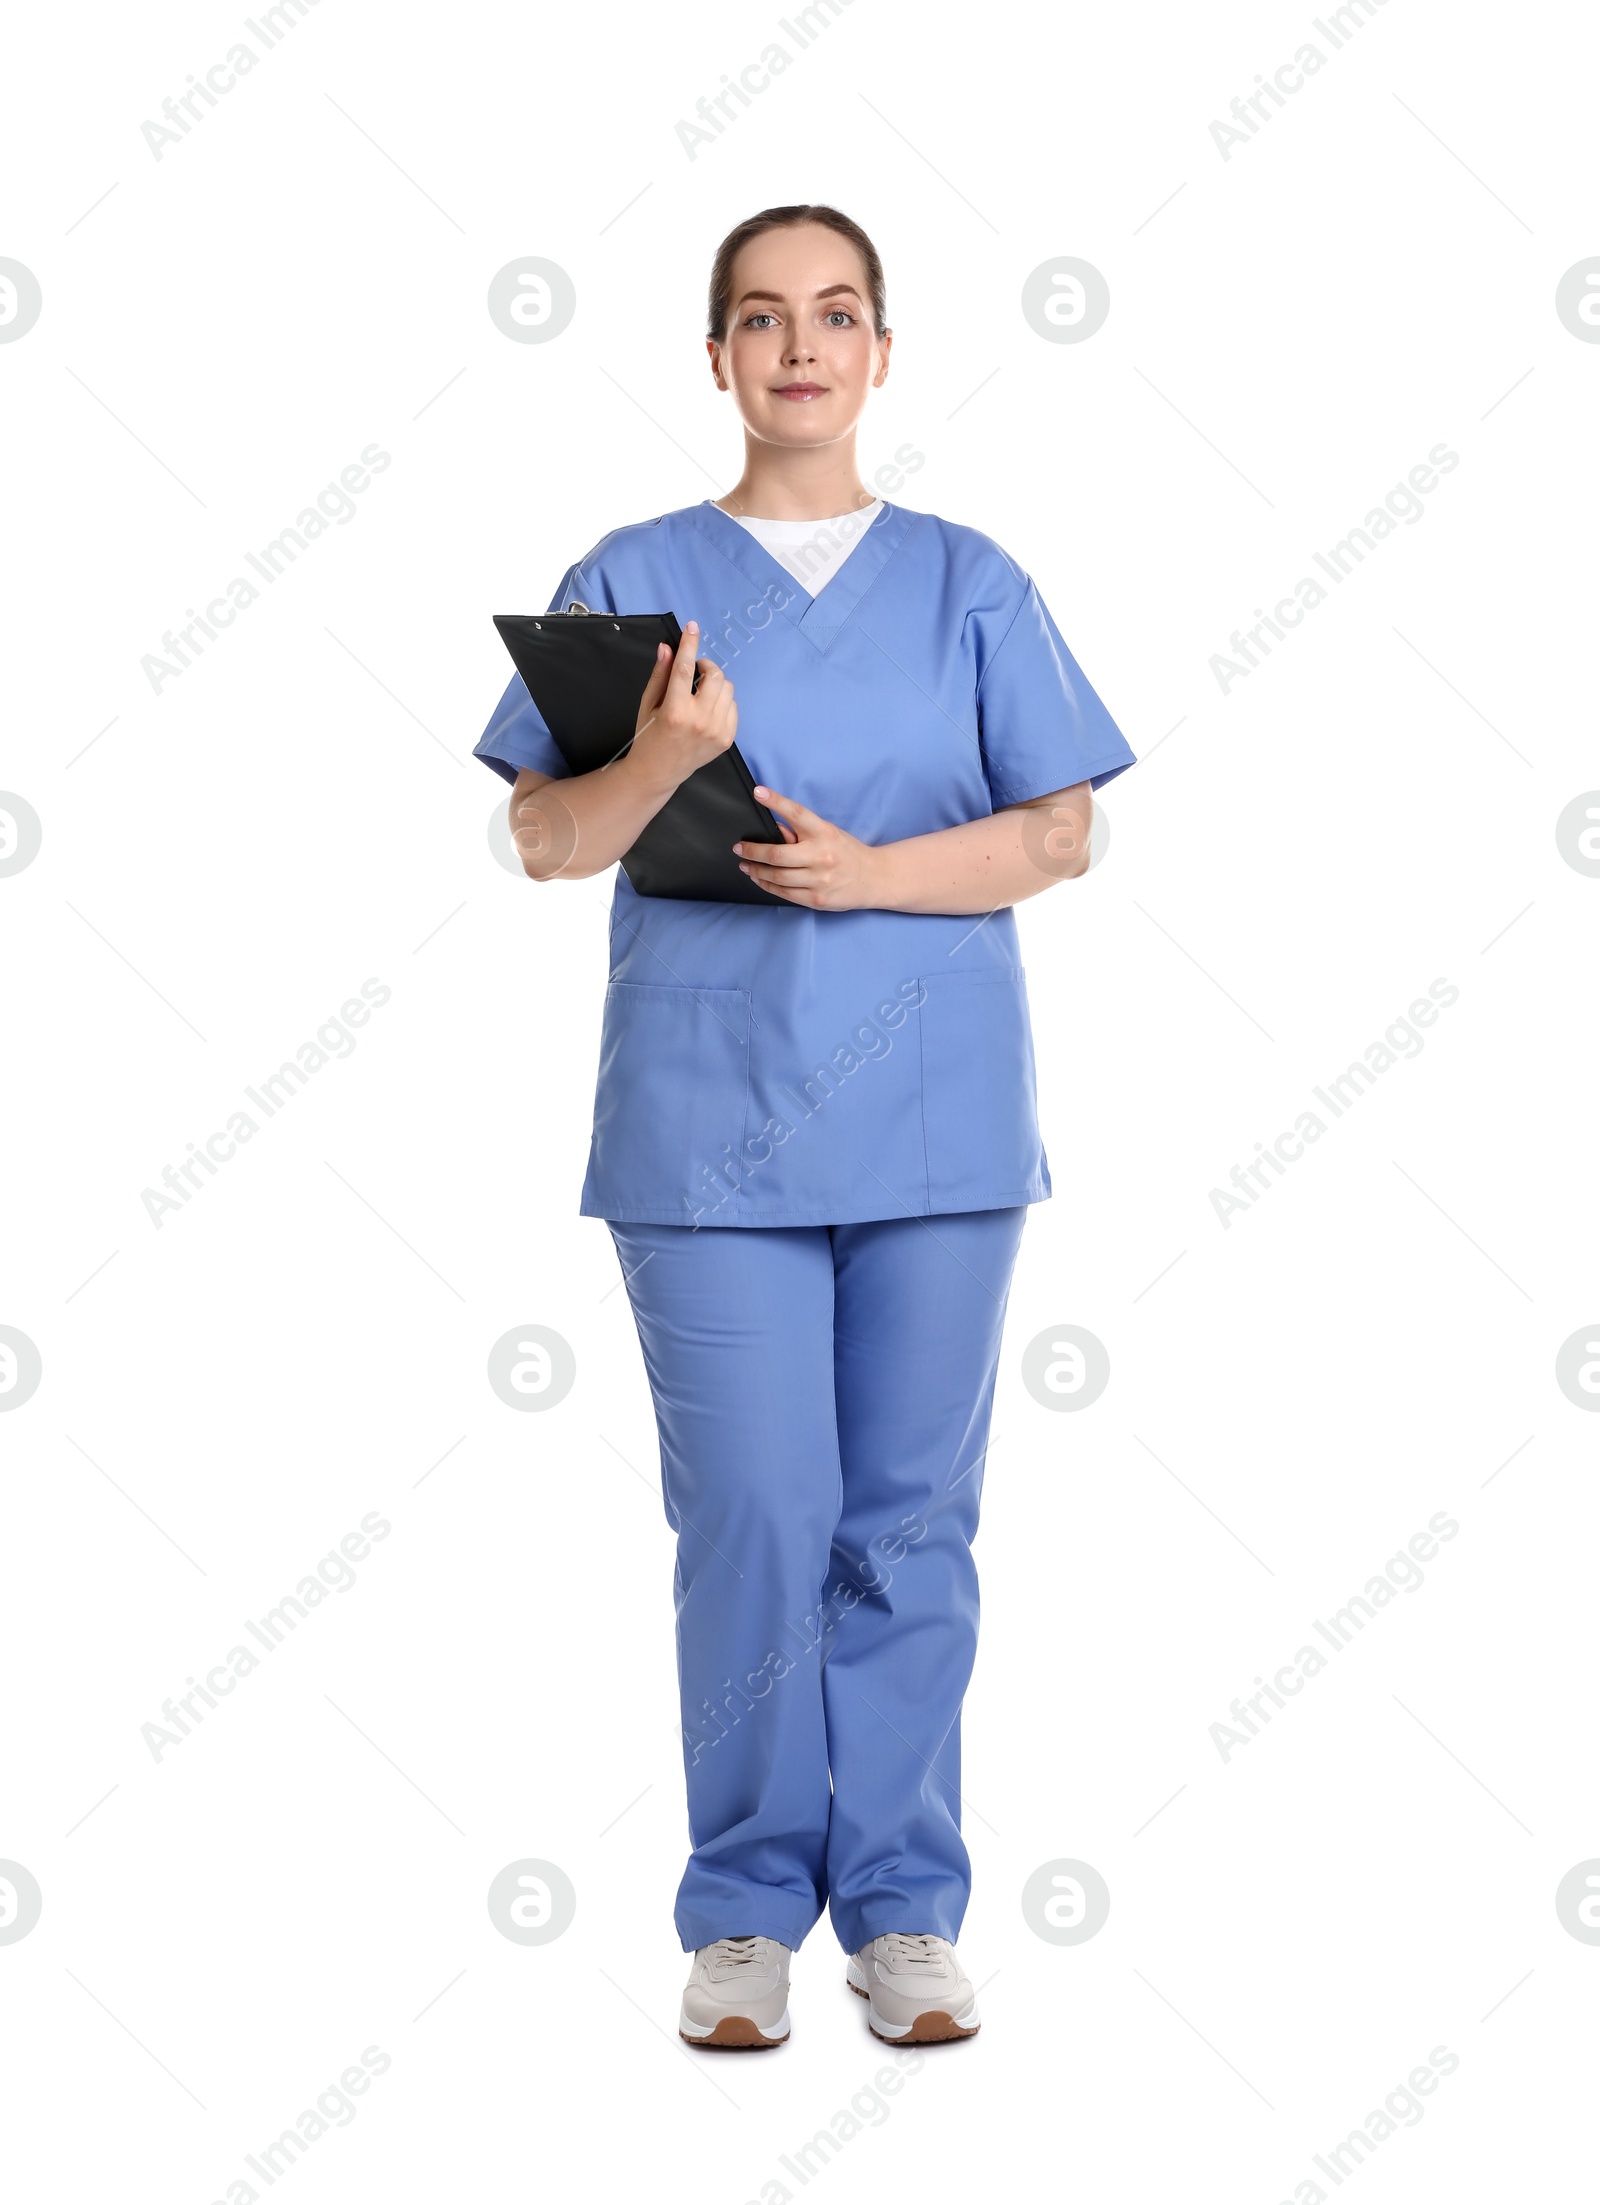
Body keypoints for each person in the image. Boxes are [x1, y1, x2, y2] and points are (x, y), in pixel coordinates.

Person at [473, 204, 1136, 2050]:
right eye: (760, 317)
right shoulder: (633, 573)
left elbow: (1062, 830)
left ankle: (908, 1906)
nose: (799, 346)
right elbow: (543, 839)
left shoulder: (968, 579)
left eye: (835, 314)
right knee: (758, 1516)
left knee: (908, 1521)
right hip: (706, 1132)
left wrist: (867, 878)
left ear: (881, 351)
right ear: (715, 358)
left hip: (935, 1123)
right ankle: (750, 1906)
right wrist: (665, 761)